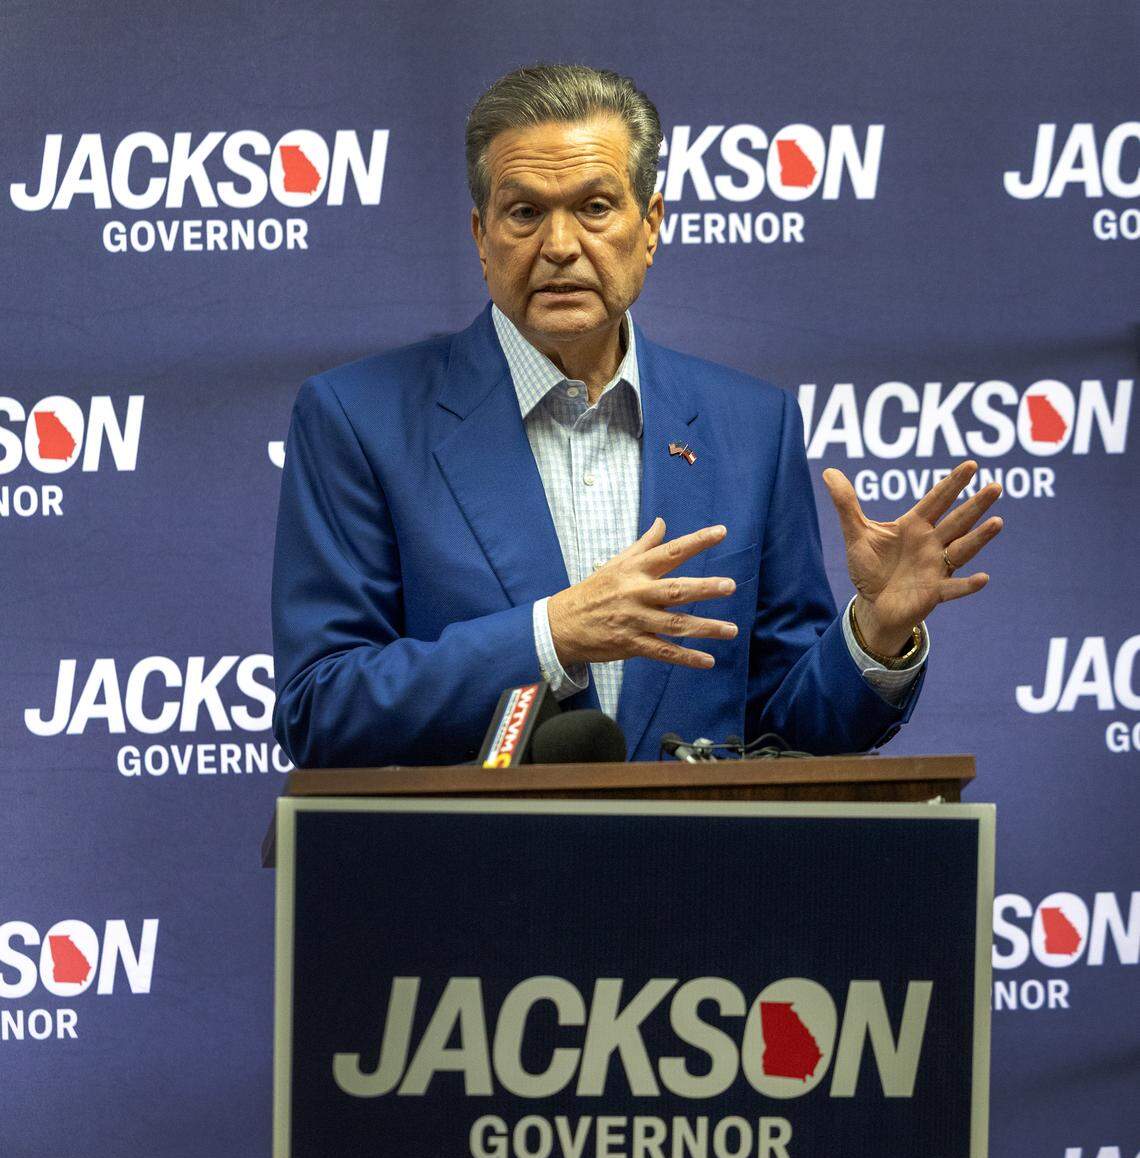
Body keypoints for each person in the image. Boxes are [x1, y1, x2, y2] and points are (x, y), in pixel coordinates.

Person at [271, 64, 1002, 768]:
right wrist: (551, 636)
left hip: (692, 880)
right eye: (525, 212)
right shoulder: (357, 418)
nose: (559, 247)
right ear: (481, 237)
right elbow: (321, 708)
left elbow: (789, 725)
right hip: (475, 881)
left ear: (649, 225)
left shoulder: (752, 425)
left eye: (594, 207)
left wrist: (873, 634)